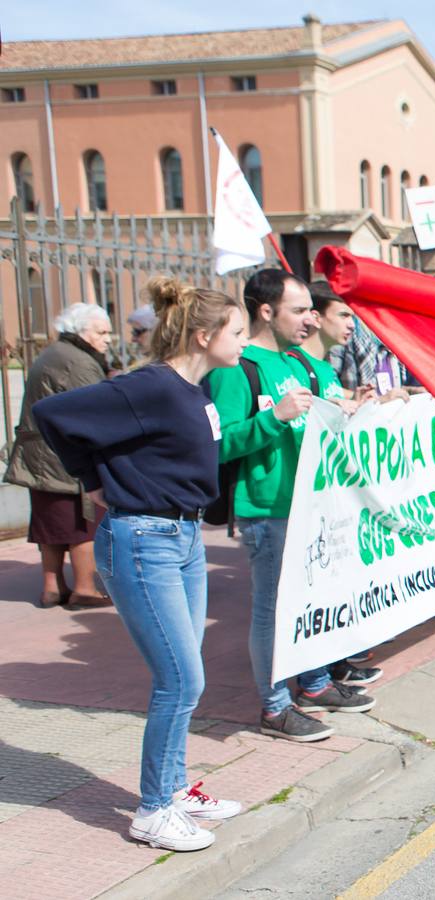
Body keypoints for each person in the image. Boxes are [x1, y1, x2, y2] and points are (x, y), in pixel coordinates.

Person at [33, 277, 249, 851]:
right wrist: (92, 480)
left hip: (184, 538)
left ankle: (174, 790)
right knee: (182, 679)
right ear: (203, 336)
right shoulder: (151, 386)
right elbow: (52, 413)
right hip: (144, 539)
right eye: (237, 332)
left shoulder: (196, 391)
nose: (244, 343)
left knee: (184, 674)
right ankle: (153, 810)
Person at [206, 269, 375, 742]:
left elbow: (319, 419)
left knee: (310, 601)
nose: (310, 320)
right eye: (298, 311)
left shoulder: (299, 363)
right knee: (273, 610)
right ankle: (275, 707)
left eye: (310, 311)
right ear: (266, 311)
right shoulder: (237, 368)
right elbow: (219, 444)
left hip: (311, 505)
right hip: (267, 508)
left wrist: (349, 408)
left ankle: (315, 684)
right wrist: (274, 418)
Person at [5, 303, 113, 608]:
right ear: (79, 331)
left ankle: (52, 588)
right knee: (82, 522)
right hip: (61, 458)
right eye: (101, 332)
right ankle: (85, 588)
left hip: (42, 456)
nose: (107, 339)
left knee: (51, 522)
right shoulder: (77, 362)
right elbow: (95, 409)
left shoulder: (56, 353)